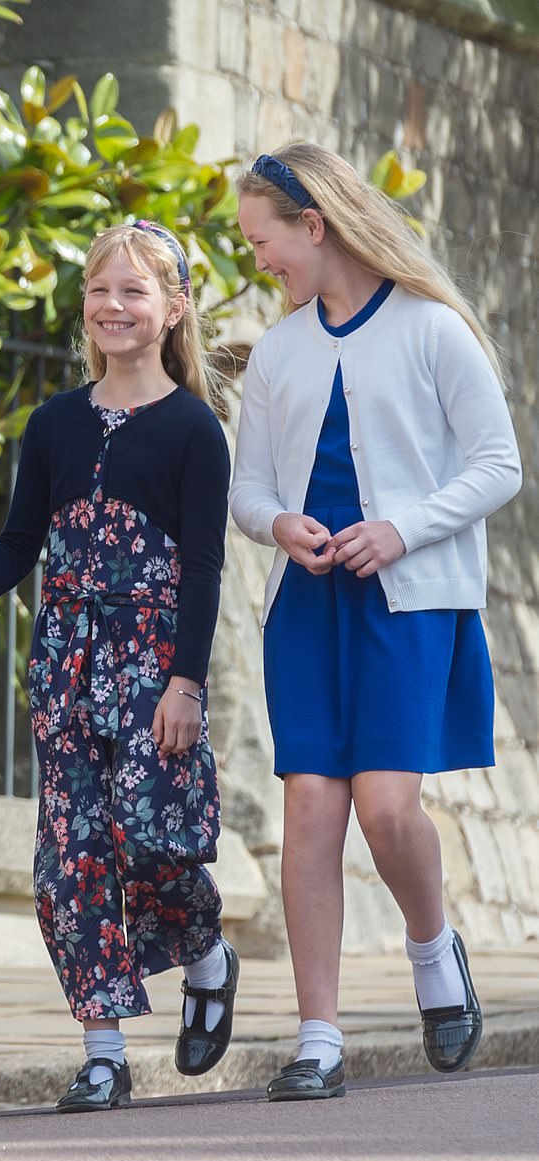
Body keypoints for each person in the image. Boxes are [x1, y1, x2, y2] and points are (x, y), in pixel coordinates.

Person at [230, 143, 522, 1101]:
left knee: (389, 807)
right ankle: (319, 1033)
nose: (259, 260)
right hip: (310, 606)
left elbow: (497, 466)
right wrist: (280, 523)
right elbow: (250, 486)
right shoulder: (278, 350)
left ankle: (434, 952)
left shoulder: (434, 329)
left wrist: (401, 529)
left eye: (265, 241)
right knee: (312, 805)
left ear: (314, 226)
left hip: (411, 598)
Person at [0, 222, 237, 1112]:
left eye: (135, 291)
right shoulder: (54, 424)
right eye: (100, 291)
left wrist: (186, 681)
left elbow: (203, 567)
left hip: (152, 670)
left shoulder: (194, 430)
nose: (114, 306)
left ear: (173, 308)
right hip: (65, 667)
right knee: (68, 860)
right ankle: (102, 1051)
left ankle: (208, 956)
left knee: (154, 838)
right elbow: (17, 545)